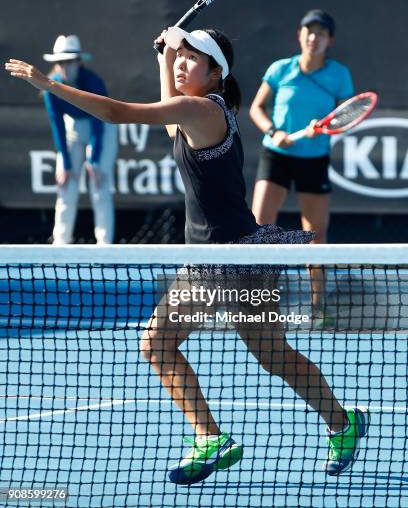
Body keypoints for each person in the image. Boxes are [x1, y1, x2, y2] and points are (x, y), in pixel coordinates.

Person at [5, 27, 368, 485]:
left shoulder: (200, 108)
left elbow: (118, 113)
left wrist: (49, 84)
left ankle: (342, 423)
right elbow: (168, 117)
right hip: (205, 262)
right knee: (158, 344)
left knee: (273, 356)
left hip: (243, 266)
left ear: (216, 73)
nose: (182, 65)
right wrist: (165, 55)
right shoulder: (196, 111)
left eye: (193, 60)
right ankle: (211, 437)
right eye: (182, 57)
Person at [250, 10, 354, 324]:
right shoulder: (280, 69)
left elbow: (346, 117)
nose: (314, 37)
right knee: (259, 227)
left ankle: (318, 307)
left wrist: (323, 127)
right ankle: (255, 302)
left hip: (314, 159)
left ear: (330, 40)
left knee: (316, 234)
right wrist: (273, 131)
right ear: (300, 35)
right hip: (276, 156)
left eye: (321, 33)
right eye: (309, 31)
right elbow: (257, 108)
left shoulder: (339, 75)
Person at [42, 34, 117, 244]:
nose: (65, 66)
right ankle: (60, 243)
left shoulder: (93, 82)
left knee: (99, 186)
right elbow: (56, 124)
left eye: (69, 61)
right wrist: (65, 163)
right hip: (72, 129)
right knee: (65, 186)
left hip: (101, 129)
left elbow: (98, 122)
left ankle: (105, 246)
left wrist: (94, 160)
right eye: (60, 62)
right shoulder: (51, 88)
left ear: (78, 61)